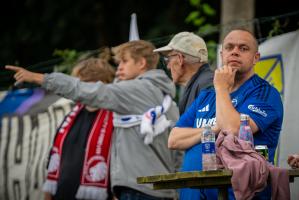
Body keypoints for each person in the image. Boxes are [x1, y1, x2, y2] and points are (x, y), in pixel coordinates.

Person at [6, 40, 179, 200]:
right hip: (157, 189)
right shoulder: (166, 99)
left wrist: (40, 78)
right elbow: (178, 153)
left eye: (124, 62)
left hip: (140, 190)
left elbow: (89, 91)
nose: (119, 69)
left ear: (141, 63)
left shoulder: (136, 90)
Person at [168, 29, 283, 200]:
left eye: (243, 48)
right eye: (229, 47)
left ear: (256, 58)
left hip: (235, 193)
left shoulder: (265, 93)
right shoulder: (206, 95)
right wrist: (214, 129)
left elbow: (233, 129)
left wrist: (222, 88)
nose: (235, 51)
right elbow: (174, 139)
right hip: (192, 193)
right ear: (222, 54)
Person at [43, 57, 116, 200]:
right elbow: (53, 162)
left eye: (92, 86)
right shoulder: (70, 117)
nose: (86, 91)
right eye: (83, 85)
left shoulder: (116, 119)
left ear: (106, 85)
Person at [154, 31, 214, 114]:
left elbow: (209, 126)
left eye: (168, 60)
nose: (168, 66)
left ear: (180, 59)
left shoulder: (206, 86)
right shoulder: (200, 84)